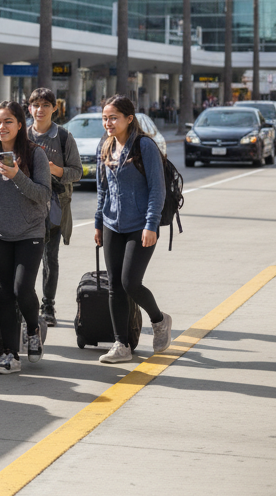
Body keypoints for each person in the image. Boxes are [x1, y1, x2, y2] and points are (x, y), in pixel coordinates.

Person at [0, 101, 52, 375]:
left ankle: (32, 328)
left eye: (8, 121)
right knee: (4, 294)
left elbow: (43, 195)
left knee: (21, 290)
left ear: (20, 124)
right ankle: (10, 355)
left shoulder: (35, 155)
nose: (1, 127)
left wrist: (18, 175)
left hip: (30, 233)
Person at [94, 94, 173, 364]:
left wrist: (151, 225)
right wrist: (97, 222)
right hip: (111, 225)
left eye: (113, 117)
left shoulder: (144, 146)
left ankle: (160, 320)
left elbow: (157, 189)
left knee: (130, 282)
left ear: (129, 119)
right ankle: (122, 345)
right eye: (105, 117)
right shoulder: (104, 147)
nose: (108, 122)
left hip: (140, 226)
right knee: (115, 286)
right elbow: (102, 188)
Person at [27, 87, 83, 327]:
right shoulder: (22, 135)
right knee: (27, 259)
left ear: (54, 108)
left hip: (54, 208)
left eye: (45, 105)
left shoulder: (63, 137)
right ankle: (25, 304)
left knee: (50, 259)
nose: (40, 110)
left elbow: (78, 172)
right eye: (36, 105)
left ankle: (47, 306)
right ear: (29, 108)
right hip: (25, 208)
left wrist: (56, 170)